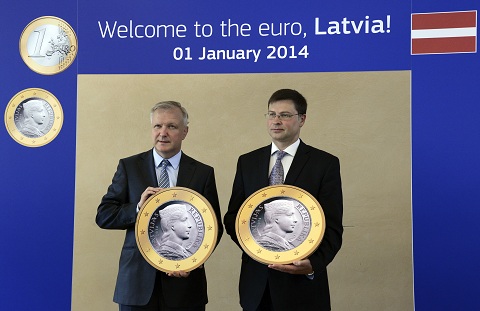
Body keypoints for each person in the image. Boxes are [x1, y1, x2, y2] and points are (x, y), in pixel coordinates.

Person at [96, 101, 223, 311]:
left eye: (171, 126)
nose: (163, 133)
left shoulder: (202, 173)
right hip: (136, 286)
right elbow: (104, 215)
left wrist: (194, 261)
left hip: (185, 287)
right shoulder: (129, 167)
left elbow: (214, 226)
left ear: (185, 132)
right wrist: (138, 209)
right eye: (158, 126)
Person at [224, 89, 343, 311]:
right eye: (271, 114)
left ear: (302, 119)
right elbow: (233, 217)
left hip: (303, 289)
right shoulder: (247, 162)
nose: (276, 121)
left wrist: (312, 265)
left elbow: (333, 226)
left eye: (285, 115)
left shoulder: (324, 164)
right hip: (256, 287)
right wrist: (257, 246)